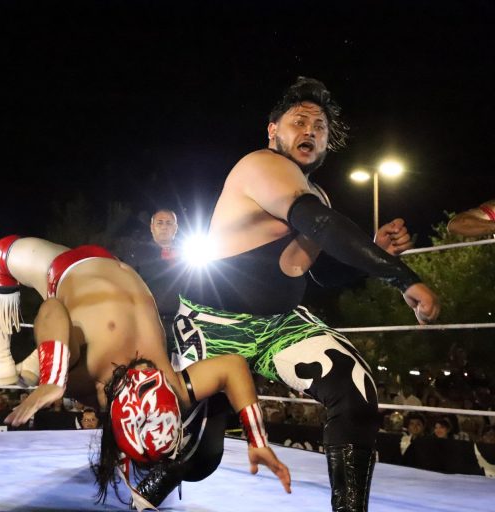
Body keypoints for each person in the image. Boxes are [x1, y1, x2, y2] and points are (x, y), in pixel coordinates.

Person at [174, 77, 441, 512]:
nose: (310, 132)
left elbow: (311, 272)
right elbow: (320, 224)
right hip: (215, 323)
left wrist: (373, 249)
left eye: (319, 127)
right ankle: (147, 482)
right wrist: (401, 276)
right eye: (299, 122)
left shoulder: (316, 193)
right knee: (195, 457)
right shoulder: (260, 165)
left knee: (354, 387)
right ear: (272, 130)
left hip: (279, 323)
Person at [0, 235, 290, 508]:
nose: (145, 367)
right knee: (7, 265)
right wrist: (258, 441)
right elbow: (233, 367)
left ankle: (13, 362)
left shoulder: (118, 381)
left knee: (7, 262)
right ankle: (14, 361)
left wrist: (55, 379)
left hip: (89, 271)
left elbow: (52, 309)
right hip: (90, 268)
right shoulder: (152, 385)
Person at [125, 209, 183, 355]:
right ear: (152, 227)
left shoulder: (188, 253)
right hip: (150, 323)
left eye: (169, 223)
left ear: (176, 228)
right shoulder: (138, 253)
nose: (164, 227)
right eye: (160, 223)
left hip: (183, 323)